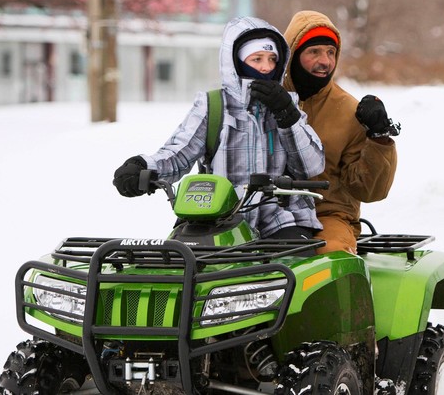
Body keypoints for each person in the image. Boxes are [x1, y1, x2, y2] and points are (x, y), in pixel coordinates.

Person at [112, 16, 325, 241]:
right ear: (236, 62)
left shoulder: (287, 104)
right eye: (257, 59)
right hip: (217, 217)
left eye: (272, 59)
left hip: (281, 218)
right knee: (189, 266)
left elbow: (311, 166)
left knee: (287, 268)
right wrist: (141, 166)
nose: (266, 67)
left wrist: (286, 116)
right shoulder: (213, 105)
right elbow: (178, 154)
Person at [282, 10, 400, 254]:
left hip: (327, 215)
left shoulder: (349, 110)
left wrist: (379, 138)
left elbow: (369, 190)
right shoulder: (269, 99)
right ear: (292, 55)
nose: (325, 61)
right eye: (314, 52)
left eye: (331, 52)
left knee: (331, 257)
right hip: (267, 212)